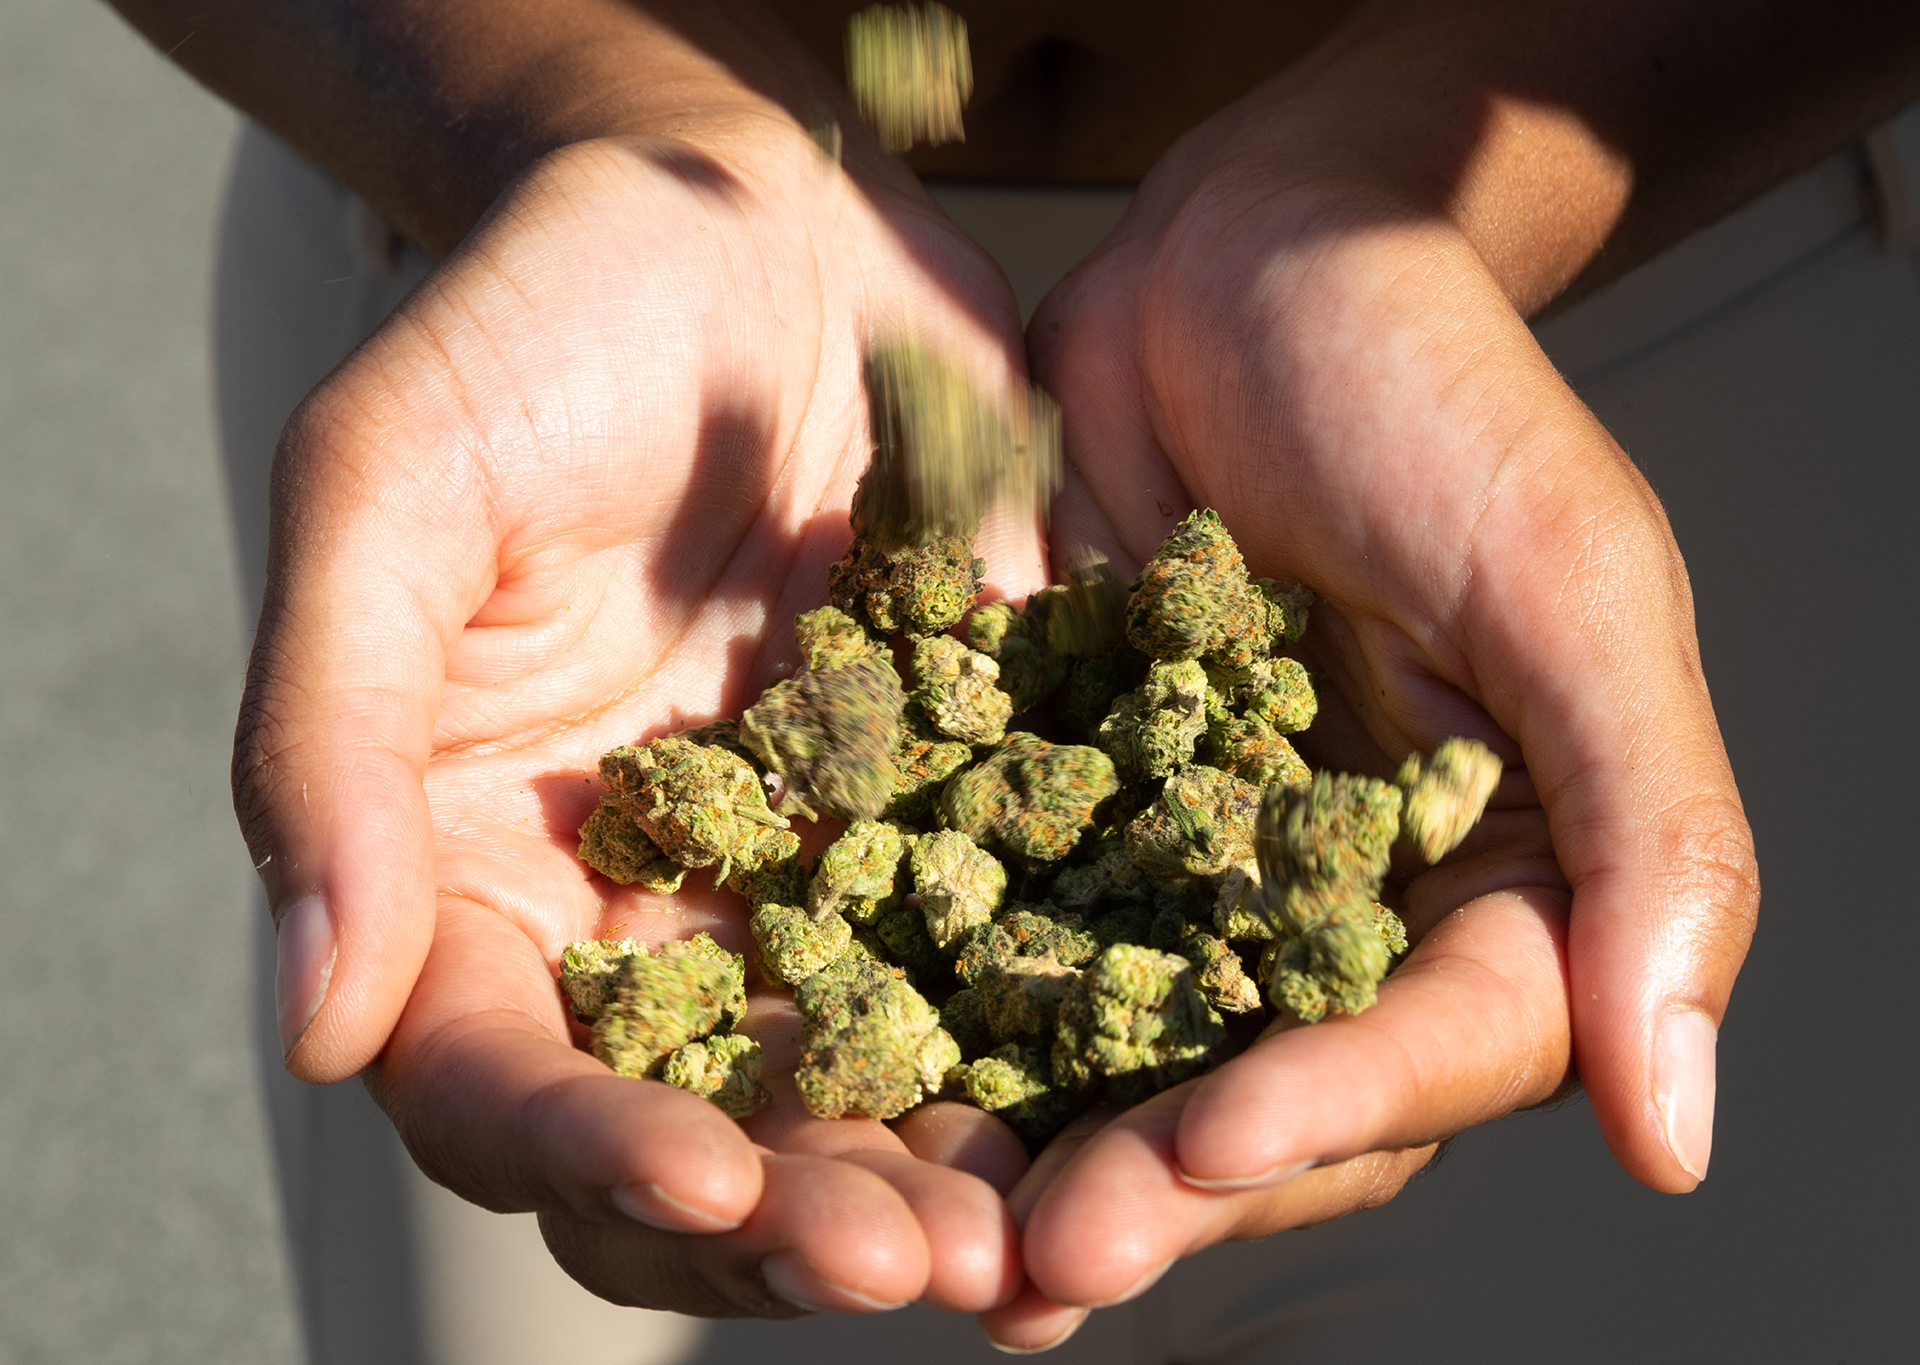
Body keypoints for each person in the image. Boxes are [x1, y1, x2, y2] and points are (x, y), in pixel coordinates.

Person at [106, 0, 1920, 1357]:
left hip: (1586, 291)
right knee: (638, 1178)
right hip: (566, 274)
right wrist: (614, 103)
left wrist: (1393, 178)